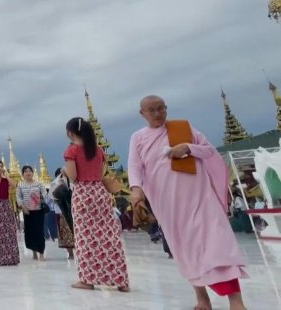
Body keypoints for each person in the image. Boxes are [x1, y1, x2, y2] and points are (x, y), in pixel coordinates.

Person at [128, 96, 247, 310]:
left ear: (166, 109)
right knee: (184, 249)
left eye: (161, 109)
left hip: (199, 196)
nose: (157, 114)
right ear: (142, 114)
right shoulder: (138, 138)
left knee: (218, 244)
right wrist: (136, 190)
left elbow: (210, 151)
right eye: (151, 110)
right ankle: (202, 298)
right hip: (167, 202)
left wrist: (188, 147)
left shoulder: (183, 128)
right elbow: (135, 167)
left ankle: (236, 301)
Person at [64, 117, 129, 292]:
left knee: (85, 237)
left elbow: (73, 176)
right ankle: (120, 279)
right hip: (99, 193)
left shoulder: (72, 150)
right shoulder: (99, 151)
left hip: (83, 194)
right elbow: (100, 174)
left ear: (70, 133)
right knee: (108, 235)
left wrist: (65, 170)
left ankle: (87, 279)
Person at [16, 165, 47, 260]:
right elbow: (18, 197)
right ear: (23, 174)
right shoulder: (20, 185)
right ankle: (34, 251)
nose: (28, 173)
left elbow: (45, 194)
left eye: (30, 171)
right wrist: (23, 207)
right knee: (30, 232)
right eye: (26, 171)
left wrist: (41, 200)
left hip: (38, 211)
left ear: (33, 173)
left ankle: (41, 252)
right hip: (27, 212)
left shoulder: (38, 184)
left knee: (39, 232)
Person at [52, 168, 75, 260]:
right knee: (65, 234)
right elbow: (52, 199)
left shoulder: (72, 184)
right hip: (61, 213)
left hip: (73, 212)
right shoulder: (54, 185)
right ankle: (70, 253)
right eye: (60, 174)